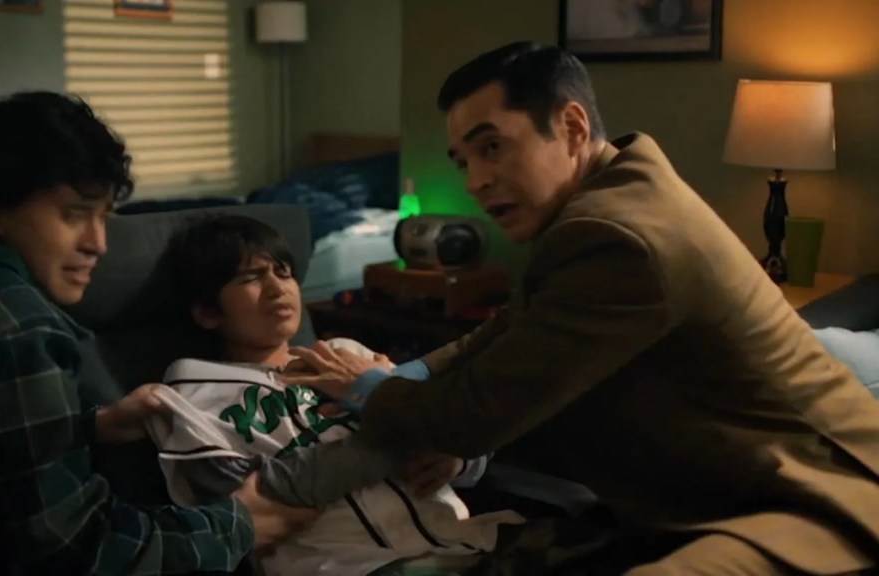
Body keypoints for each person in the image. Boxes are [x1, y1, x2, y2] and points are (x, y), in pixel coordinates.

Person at [281, 42, 879, 575]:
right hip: (724, 490)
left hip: (821, 499)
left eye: (493, 147)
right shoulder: (612, 194)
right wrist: (409, 375)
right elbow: (505, 333)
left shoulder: (617, 235)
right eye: (464, 160)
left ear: (571, 127)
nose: (475, 181)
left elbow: (473, 415)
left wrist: (371, 390)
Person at [0, 92, 316, 574]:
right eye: (74, 214)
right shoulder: (14, 328)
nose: (98, 243)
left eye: (104, 216)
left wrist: (90, 427)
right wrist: (237, 524)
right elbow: (77, 550)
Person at [146, 214, 521, 576]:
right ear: (208, 313)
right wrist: (404, 428)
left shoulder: (347, 354)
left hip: (465, 543)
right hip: (343, 564)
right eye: (251, 278)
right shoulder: (197, 390)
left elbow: (458, 425)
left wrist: (457, 457)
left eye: (283, 272)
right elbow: (243, 506)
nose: (278, 288)